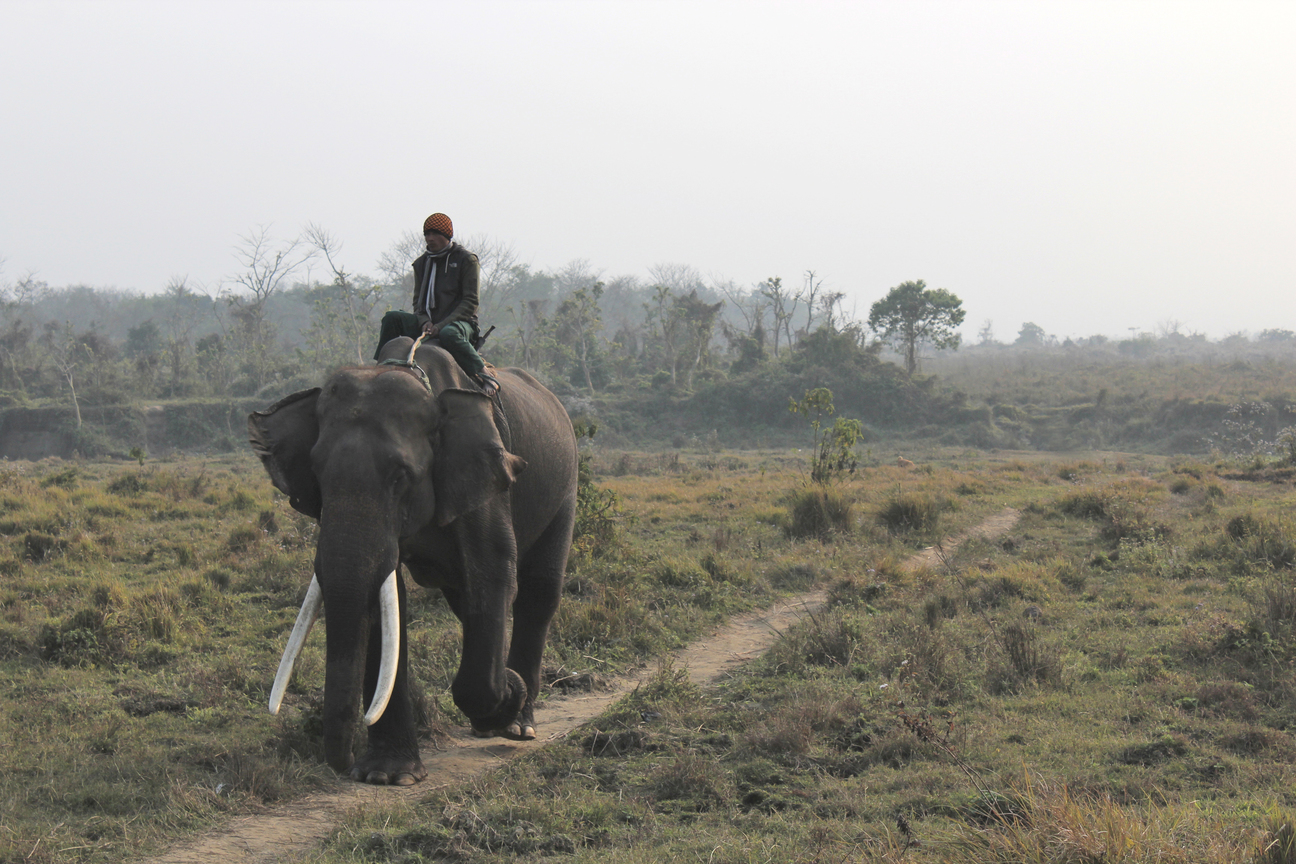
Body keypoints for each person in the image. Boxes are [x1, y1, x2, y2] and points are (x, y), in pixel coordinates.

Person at [374, 213, 499, 395]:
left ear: (447, 235)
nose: (429, 238)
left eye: (435, 233)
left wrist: (441, 326)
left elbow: (471, 302)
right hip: (428, 324)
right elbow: (418, 303)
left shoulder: (466, 260)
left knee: (449, 333)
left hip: (459, 324)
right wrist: (424, 321)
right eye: (427, 234)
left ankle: (485, 373)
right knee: (392, 318)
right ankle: (379, 368)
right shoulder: (421, 263)